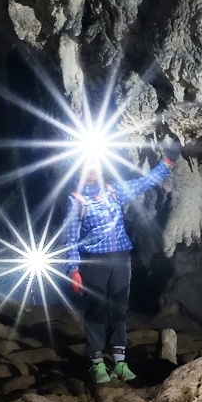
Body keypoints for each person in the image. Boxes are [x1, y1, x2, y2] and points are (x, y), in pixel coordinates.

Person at [62, 155, 173, 385]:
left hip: (121, 259)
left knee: (119, 310)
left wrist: (167, 163)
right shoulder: (77, 201)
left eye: (95, 164)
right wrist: (73, 268)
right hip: (95, 261)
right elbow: (70, 238)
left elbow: (145, 182)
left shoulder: (113, 192)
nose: (93, 168)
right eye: (88, 166)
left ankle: (120, 362)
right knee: (95, 311)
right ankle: (96, 363)